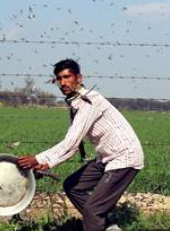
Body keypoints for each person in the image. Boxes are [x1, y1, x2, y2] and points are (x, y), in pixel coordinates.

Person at [18, 59, 144, 231]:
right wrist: (45, 162)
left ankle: (97, 221)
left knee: (92, 211)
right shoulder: (76, 103)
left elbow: (71, 143)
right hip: (106, 158)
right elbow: (73, 142)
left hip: (124, 157)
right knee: (72, 186)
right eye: (58, 79)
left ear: (78, 77)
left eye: (67, 77)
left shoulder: (89, 102)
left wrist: (38, 158)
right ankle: (107, 227)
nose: (62, 83)